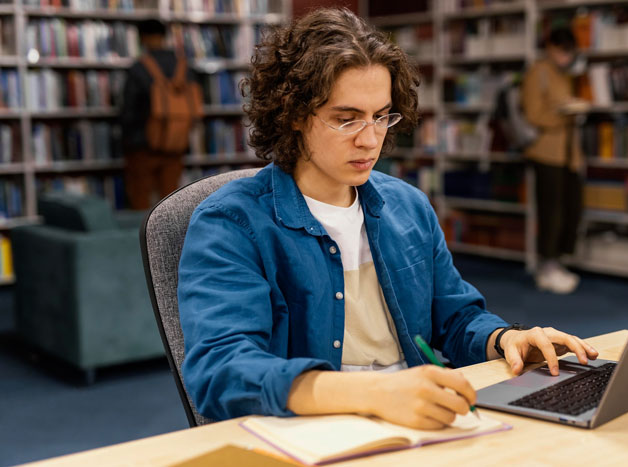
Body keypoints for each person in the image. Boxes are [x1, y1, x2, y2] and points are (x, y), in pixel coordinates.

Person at [177, 8, 598, 430]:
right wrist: (374, 394)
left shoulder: (408, 206)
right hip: (315, 430)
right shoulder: (232, 222)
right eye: (346, 119)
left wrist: (505, 339)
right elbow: (222, 371)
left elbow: (455, 319)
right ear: (294, 115)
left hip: (419, 418)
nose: (370, 139)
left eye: (381, 116)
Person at [522, 27, 586, 295]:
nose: (564, 57)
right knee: (551, 211)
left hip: (569, 152)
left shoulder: (565, 74)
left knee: (571, 208)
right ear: (551, 48)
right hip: (546, 151)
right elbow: (533, 114)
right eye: (561, 51)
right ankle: (546, 266)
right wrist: (565, 114)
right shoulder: (539, 71)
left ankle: (557, 262)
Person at [120, 19, 194, 210]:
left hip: (143, 145)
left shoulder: (139, 68)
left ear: (142, 38)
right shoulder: (184, 67)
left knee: (141, 202)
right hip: (175, 144)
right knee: (170, 204)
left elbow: (128, 111)